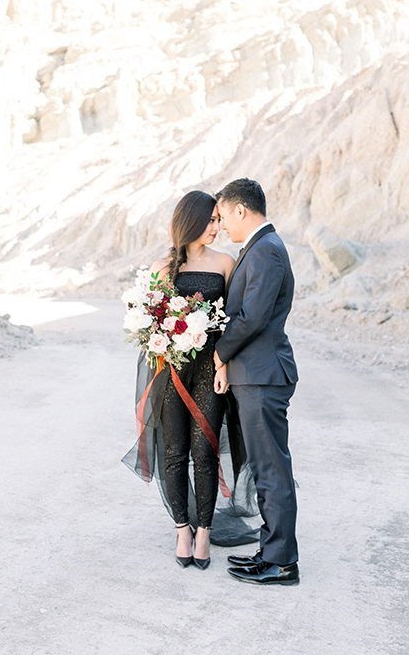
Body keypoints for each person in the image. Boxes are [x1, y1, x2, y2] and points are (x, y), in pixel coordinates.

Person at [122, 190, 260, 570]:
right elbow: (149, 322)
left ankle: (204, 531)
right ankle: (182, 526)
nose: (217, 227)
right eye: (211, 220)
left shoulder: (225, 263)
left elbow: (231, 323)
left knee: (205, 450)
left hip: (209, 369)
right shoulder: (162, 267)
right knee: (174, 451)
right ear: (192, 221)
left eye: (220, 220)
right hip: (170, 370)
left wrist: (223, 368)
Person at [214, 178, 300, 586]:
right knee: (267, 468)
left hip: (263, 376)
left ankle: (282, 562)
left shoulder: (266, 250)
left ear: (240, 210)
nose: (222, 226)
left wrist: (219, 353)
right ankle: (271, 551)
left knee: (272, 470)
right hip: (256, 375)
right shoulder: (260, 248)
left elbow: (252, 317)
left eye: (223, 216)